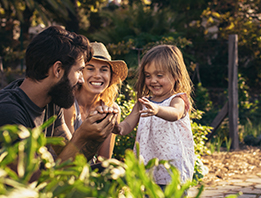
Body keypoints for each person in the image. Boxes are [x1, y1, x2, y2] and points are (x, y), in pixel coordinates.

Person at [0, 26, 119, 168]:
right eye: (80, 71)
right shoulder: (9, 113)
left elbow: (71, 161)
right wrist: (81, 136)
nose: (81, 79)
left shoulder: (51, 100)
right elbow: (36, 185)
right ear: (58, 70)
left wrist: (94, 137)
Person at [114, 44, 195, 188]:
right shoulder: (143, 103)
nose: (153, 80)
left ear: (176, 76)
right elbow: (127, 125)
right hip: (148, 168)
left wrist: (158, 109)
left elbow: (175, 113)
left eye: (159, 75)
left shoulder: (177, 99)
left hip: (173, 169)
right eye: (148, 76)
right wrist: (116, 128)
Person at [64, 42, 128, 161]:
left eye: (104, 70)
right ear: (80, 73)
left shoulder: (111, 110)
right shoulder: (68, 105)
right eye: (90, 69)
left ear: (110, 76)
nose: (97, 75)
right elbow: (66, 156)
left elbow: (104, 160)